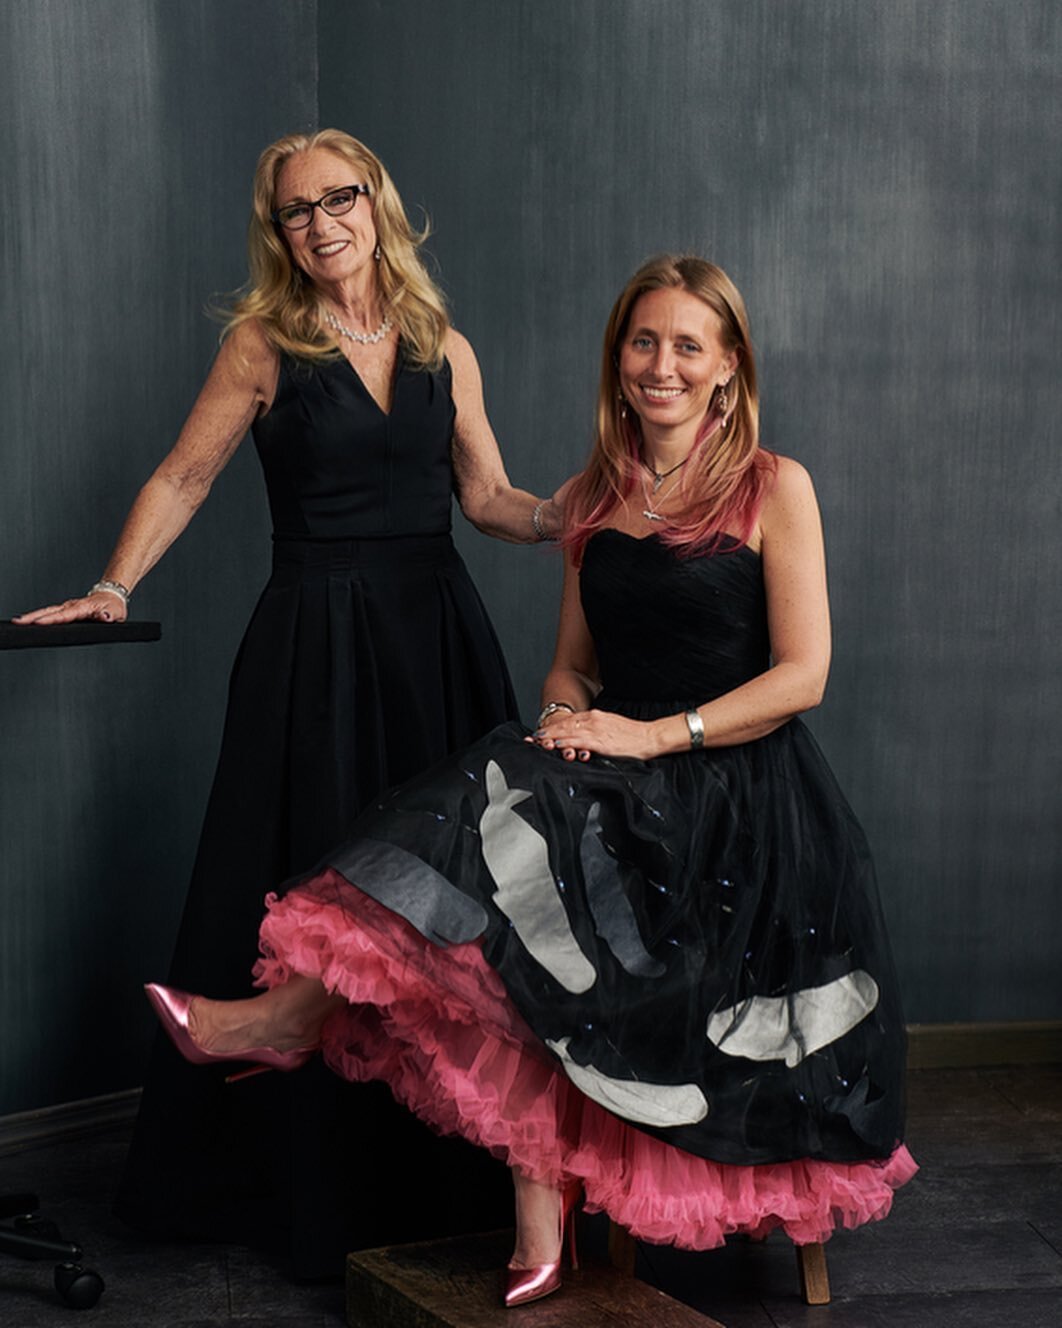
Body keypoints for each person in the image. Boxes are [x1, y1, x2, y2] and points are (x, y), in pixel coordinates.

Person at [146, 253, 916, 1305]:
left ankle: (290, 1027)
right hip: (613, 769)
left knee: (512, 849)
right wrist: (566, 716)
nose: (662, 365)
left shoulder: (777, 486)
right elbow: (570, 663)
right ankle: (527, 1199)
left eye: (689, 345)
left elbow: (804, 676)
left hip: (737, 799)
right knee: (488, 823)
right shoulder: (598, 490)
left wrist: (650, 738)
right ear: (619, 358)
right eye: (644, 341)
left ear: (729, 366)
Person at [15, 129, 568, 1275]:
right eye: (295, 212)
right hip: (314, 638)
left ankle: (447, 1171)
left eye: (338, 200)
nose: (321, 224)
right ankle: (296, 1179)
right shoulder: (262, 344)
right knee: (320, 874)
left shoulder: (442, 346)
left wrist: (573, 510)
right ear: (279, 233)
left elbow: (489, 495)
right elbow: (185, 473)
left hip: (435, 637)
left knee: (452, 892)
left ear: (378, 203)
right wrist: (114, 584)